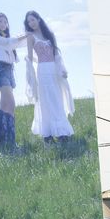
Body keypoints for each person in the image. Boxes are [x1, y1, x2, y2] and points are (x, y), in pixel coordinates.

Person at [24, 10, 74, 143]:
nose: (31, 23)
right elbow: (30, 56)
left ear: (38, 19)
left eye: (33, 19)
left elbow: (57, 54)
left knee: (57, 99)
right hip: (43, 70)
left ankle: (62, 132)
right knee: (46, 100)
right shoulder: (30, 36)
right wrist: (28, 67)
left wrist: (62, 70)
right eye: (29, 21)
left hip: (53, 69)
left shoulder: (50, 34)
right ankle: (48, 134)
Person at [0, 12, 27, 148]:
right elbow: (8, 44)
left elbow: (18, 44)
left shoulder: (7, 37)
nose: (3, 24)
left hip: (9, 71)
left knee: (5, 106)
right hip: (1, 70)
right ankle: (11, 142)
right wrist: (26, 34)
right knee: (11, 104)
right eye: (0, 21)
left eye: (5, 22)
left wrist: (31, 34)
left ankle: (1, 138)